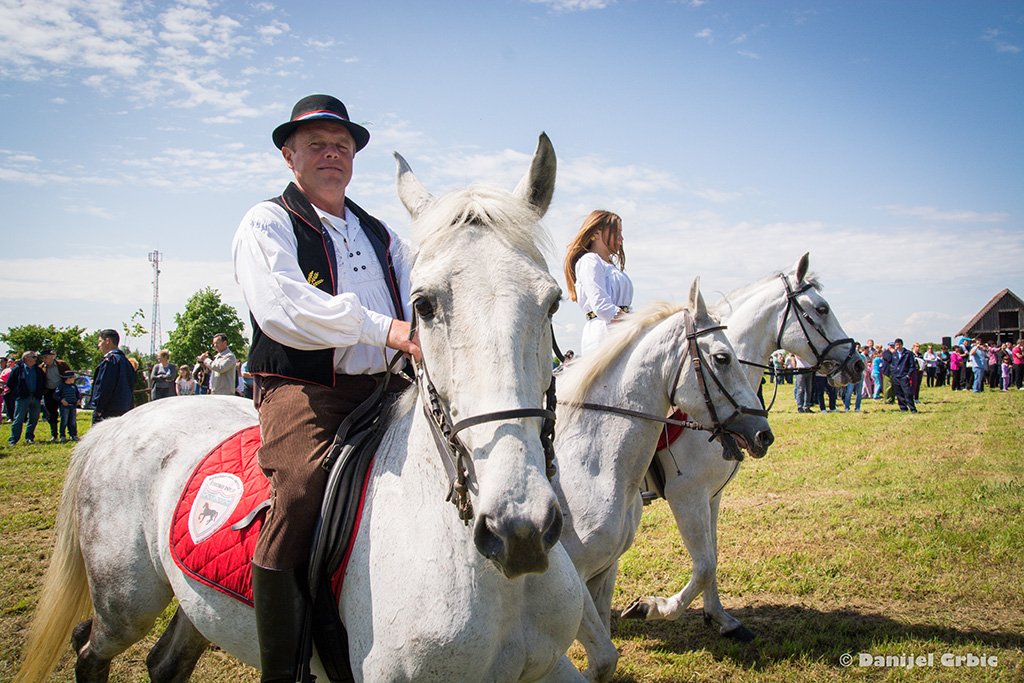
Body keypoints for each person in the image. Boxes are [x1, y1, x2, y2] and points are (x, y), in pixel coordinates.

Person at [231, 94, 420, 683]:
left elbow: (419, 295)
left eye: (341, 145)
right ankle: (285, 669)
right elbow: (283, 307)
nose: (331, 154)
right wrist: (384, 329)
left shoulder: (383, 235)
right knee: (302, 489)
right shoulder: (267, 222)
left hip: (387, 387)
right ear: (290, 156)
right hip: (305, 388)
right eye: (316, 145)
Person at [563, 210, 632, 355]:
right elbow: (601, 306)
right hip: (604, 334)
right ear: (597, 233)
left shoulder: (610, 267)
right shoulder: (590, 261)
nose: (621, 238)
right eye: (617, 232)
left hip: (620, 330)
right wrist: (634, 324)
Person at [90, 329, 136, 423]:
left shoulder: (111, 360)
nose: (99, 345)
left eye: (100, 341)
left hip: (108, 409)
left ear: (107, 341)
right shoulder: (126, 361)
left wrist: (99, 407)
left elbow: (105, 385)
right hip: (124, 408)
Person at [6, 351, 46, 444]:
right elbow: (9, 383)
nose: (35, 359)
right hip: (22, 398)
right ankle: (14, 439)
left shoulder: (38, 370)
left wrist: (40, 392)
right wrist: (17, 392)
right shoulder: (17, 369)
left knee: (34, 418)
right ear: (26, 358)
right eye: (33, 357)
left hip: (35, 397)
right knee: (19, 418)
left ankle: (29, 437)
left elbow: (43, 382)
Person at [38, 349, 71, 442]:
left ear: (52, 356)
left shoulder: (62, 364)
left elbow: (70, 375)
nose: (44, 360)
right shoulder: (42, 368)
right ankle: (54, 435)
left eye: (46, 357)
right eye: (42, 358)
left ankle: (68, 434)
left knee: (66, 413)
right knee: (51, 414)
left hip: (62, 391)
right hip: (49, 392)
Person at [891, 338, 917, 413]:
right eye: (896, 345)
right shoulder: (895, 354)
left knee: (908, 393)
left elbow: (912, 365)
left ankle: (912, 408)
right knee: (899, 393)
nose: (897, 346)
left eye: (899, 345)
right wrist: (893, 373)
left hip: (904, 375)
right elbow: (893, 364)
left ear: (902, 344)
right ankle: (903, 408)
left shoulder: (908, 354)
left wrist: (908, 375)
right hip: (896, 376)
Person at [53, 371, 81, 442]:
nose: (73, 379)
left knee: (73, 421)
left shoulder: (74, 386)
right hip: (64, 406)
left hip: (73, 406)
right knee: (64, 421)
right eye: (72, 378)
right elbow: (55, 395)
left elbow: (77, 394)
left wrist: (78, 400)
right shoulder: (61, 386)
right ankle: (62, 435)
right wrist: (61, 400)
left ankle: (73, 434)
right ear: (68, 378)